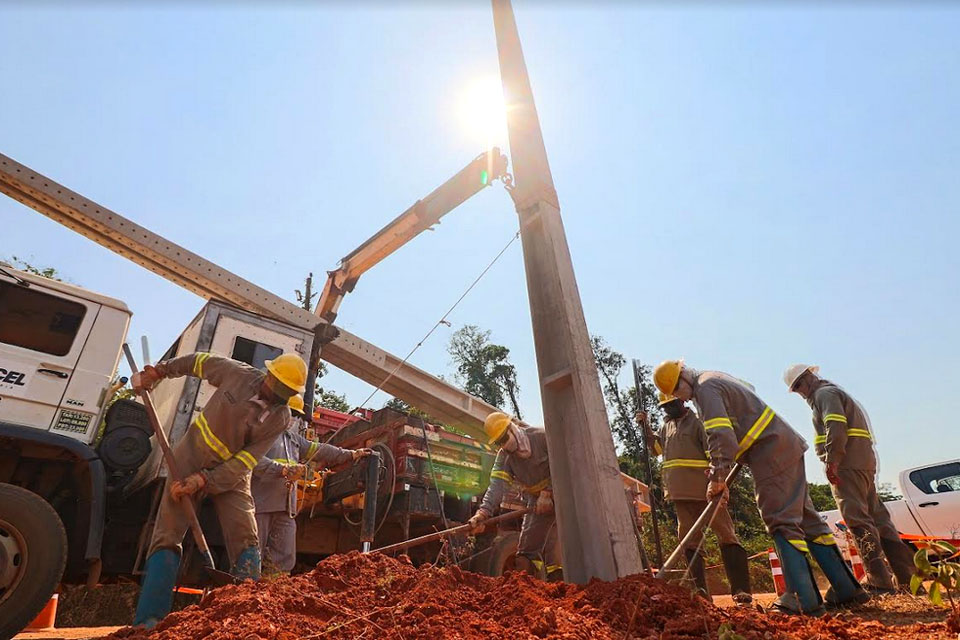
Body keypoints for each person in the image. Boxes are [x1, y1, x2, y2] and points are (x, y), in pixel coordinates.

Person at [653, 359, 868, 616]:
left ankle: (802, 598)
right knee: (808, 521)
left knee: (780, 520)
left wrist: (718, 476)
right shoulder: (715, 377)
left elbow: (720, 434)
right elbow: (743, 408)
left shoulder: (705, 389)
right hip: (781, 446)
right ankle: (846, 589)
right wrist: (720, 468)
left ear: (682, 380)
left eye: (678, 393)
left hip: (770, 453)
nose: (682, 400)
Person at [131, 352, 307, 628]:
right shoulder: (237, 374)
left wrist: (205, 481)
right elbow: (197, 362)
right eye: (280, 388)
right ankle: (150, 620)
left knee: (246, 537)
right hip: (189, 457)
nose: (281, 397)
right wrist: (159, 372)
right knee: (168, 534)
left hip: (232, 476)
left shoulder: (280, 418)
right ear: (269, 376)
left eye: (288, 393)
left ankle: (243, 619)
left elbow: (245, 461)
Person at [784, 364, 917, 594]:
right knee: (879, 520)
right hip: (862, 462)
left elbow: (835, 426)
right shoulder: (832, 392)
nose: (799, 393)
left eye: (798, 386)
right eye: (795, 389)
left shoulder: (824, 394)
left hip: (847, 464)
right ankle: (909, 581)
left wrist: (832, 461)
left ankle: (879, 582)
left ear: (807, 378)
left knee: (857, 520)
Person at [640, 394, 752, 603]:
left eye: (671, 405)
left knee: (726, 534)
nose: (668, 409)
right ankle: (700, 593)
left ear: (682, 402)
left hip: (706, 492)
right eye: (665, 407)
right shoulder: (666, 427)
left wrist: (718, 480)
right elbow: (656, 450)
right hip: (679, 493)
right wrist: (646, 428)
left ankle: (741, 590)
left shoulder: (698, 422)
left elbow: (714, 453)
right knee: (689, 541)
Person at [251, 395, 371, 575]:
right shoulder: (261, 434)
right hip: (262, 505)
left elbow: (322, 450)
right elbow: (252, 461)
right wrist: (283, 470)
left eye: (296, 415)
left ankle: (274, 590)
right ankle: (245, 590)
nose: (293, 419)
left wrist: (351, 454)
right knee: (253, 553)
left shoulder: (293, 439)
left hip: (286, 508)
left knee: (283, 558)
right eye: (291, 413)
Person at [467, 412, 560, 580]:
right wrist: (483, 513)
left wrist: (548, 492)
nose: (504, 445)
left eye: (504, 438)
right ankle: (535, 587)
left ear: (513, 428)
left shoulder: (542, 437)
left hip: (565, 492)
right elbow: (497, 486)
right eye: (499, 442)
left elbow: (564, 463)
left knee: (567, 542)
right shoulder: (505, 458)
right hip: (536, 500)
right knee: (526, 553)